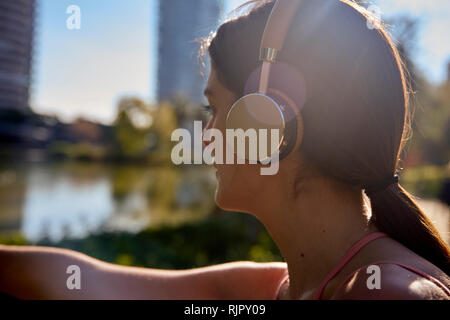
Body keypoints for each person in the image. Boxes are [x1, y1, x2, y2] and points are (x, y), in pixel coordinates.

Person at [0, 0, 449, 300]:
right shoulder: (291, 286)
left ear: (271, 120)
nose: (206, 132)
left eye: (213, 108)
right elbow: (88, 283)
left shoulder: (388, 293)